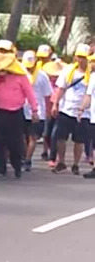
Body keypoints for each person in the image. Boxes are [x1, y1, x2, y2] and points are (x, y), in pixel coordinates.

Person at [0, 51, 38, 179]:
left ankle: (17, 166)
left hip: (15, 113)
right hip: (0, 111)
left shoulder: (21, 77)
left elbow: (30, 93)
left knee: (15, 142)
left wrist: (34, 110)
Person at [50, 44, 91, 174]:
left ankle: (75, 164)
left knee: (79, 140)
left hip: (84, 112)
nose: (81, 60)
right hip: (66, 109)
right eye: (79, 57)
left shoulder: (92, 74)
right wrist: (55, 104)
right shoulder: (68, 71)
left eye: (84, 57)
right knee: (60, 138)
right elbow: (61, 88)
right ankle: (61, 161)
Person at [22, 50, 53, 172]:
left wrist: (48, 111)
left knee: (32, 138)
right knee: (22, 137)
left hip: (37, 112)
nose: (29, 68)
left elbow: (47, 95)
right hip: (22, 110)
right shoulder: (20, 73)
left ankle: (27, 159)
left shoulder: (42, 76)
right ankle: (23, 156)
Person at [39, 45, 61, 161]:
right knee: (46, 132)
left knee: (55, 133)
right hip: (46, 108)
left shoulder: (61, 83)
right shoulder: (42, 74)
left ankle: (53, 155)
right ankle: (45, 151)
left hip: (58, 108)